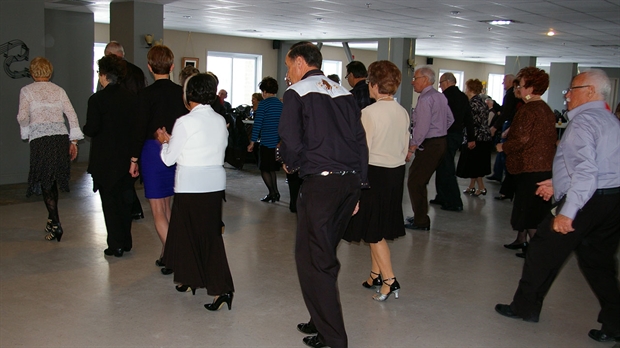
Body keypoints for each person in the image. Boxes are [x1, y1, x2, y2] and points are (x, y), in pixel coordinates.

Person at [495, 69, 620, 343]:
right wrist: (558, 181)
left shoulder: (583, 122)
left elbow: (587, 172)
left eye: (572, 89)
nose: (567, 94)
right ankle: (615, 322)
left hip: (587, 200)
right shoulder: (610, 120)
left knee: (541, 250)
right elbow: (603, 165)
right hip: (611, 199)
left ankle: (524, 307)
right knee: (598, 263)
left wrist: (567, 212)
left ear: (590, 92)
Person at [279, 41, 368, 348]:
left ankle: (334, 338)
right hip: (349, 183)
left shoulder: (296, 93)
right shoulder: (343, 93)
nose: (287, 72)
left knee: (317, 261)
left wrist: (294, 164)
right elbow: (360, 142)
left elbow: (289, 139)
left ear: (301, 63)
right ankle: (319, 319)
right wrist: (360, 186)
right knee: (317, 254)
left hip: (321, 184)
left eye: (289, 65)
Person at [156, 73, 235, 310]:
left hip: (190, 186)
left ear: (189, 94)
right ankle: (192, 279)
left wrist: (164, 141)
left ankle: (223, 289)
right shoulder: (220, 120)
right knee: (202, 236)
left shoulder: (185, 122)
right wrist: (174, 143)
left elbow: (169, 159)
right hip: (213, 185)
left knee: (193, 237)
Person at [343, 60, 409, 302]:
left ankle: (390, 280)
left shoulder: (368, 113)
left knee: (374, 231)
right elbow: (404, 149)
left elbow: (361, 151)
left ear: (374, 84)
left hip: (374, 174)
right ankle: (375, 274)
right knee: (377, 225)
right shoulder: (402, 111)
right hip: (395, 173)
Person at [130, 45, 188, 270]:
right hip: (175, 150)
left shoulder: (145, 95)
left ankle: (175, 255)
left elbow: (138, 129)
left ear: (149, 67)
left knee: (158, 209)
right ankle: (166, 252)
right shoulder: (180, 93)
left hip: (153, 152)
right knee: (167, 205)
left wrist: (133, 160)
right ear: (172, 66)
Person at [16, 57, 83, 242]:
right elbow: (72, 115)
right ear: (50, 72)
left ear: (32, 72)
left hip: (40, 140)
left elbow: (22, 117)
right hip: (60, 139)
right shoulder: (58, 90)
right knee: (52, 180)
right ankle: (51, 219)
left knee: (46, 182)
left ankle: (56, 223)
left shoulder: (27, 91)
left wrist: (26, 127)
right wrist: (74, 141)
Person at [497, 67, 556, 258]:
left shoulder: (529, 109)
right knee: (527, 207)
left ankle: (537, 251)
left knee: (530, 211)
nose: (518, 89)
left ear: (531, 88)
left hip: (530, 168)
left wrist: (503, 147)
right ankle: (521, 239)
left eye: (520, 86)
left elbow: (522, 139)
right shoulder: (544, 108)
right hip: (542, 167)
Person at [84, 54, 137, 257]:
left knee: (109, 203)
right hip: (126, 159)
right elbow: (135, 130)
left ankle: (115, 244)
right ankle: (126, 240)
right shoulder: (132, 98)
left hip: (104, 160)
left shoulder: (97, 100)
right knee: (125, 201)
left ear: (104, 76)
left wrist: (84, 128)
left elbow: (92, 129)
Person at [404, 66, 454, 231]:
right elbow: (450, 119)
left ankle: (421, 220)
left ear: (425, 80)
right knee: (419, 180)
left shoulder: (425, 99)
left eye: (415, 78)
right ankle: (420, 216)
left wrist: (412, 147)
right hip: (440, 142)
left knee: (415, 182)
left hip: (430, 144)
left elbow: (422, 127)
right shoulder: (439, 96)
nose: (412, 82)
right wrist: (440, 130)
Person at [104, 41, 147, 221]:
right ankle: (134, 208)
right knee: (130, 170)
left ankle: (130, 208)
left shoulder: (113, 74)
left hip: (119, 128)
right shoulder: (137, 72)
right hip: (136, 126)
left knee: (122, 173)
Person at [431, 72, 473, 211]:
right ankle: (441, 196)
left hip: (446, 135)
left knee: (446, 168)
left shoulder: (444, 97)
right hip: (457, 136)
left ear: (448, 82)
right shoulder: (463, 97)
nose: (440, 86)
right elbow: (468, 118)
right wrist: (471, 138)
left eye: (441, 83)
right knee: (442, 165)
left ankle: (455, 201)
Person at [247, 77, 283, 202]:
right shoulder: (280, 104)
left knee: (264, 169)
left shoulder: (263, 104)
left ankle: (272, 193)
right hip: (277, 142)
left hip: (266, 142)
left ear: (264, 91)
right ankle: (275, 192)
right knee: (271, 169)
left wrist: (252, 142)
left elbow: (258, 124)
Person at [456, 78, 492, 196]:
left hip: (475, 137)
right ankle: (473, 186)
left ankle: (481, 187)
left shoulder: (472, 104)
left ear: (470, 89)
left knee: (474, 164)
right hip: (484, 137)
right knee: (476, 164)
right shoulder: (482, 102)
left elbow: (471, 122)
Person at [488, 74, 516, 183]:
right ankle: (498, 173)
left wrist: (495, 127)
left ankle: (507, 180)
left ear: (510, 81)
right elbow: (504, 110)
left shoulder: (510, 95)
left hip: (509, 124)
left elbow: (505, 113)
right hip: (507, 123)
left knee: (504, 150)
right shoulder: (509, 95)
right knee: (501, 150)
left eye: (504, 81)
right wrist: (494, 105)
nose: (503, 83)